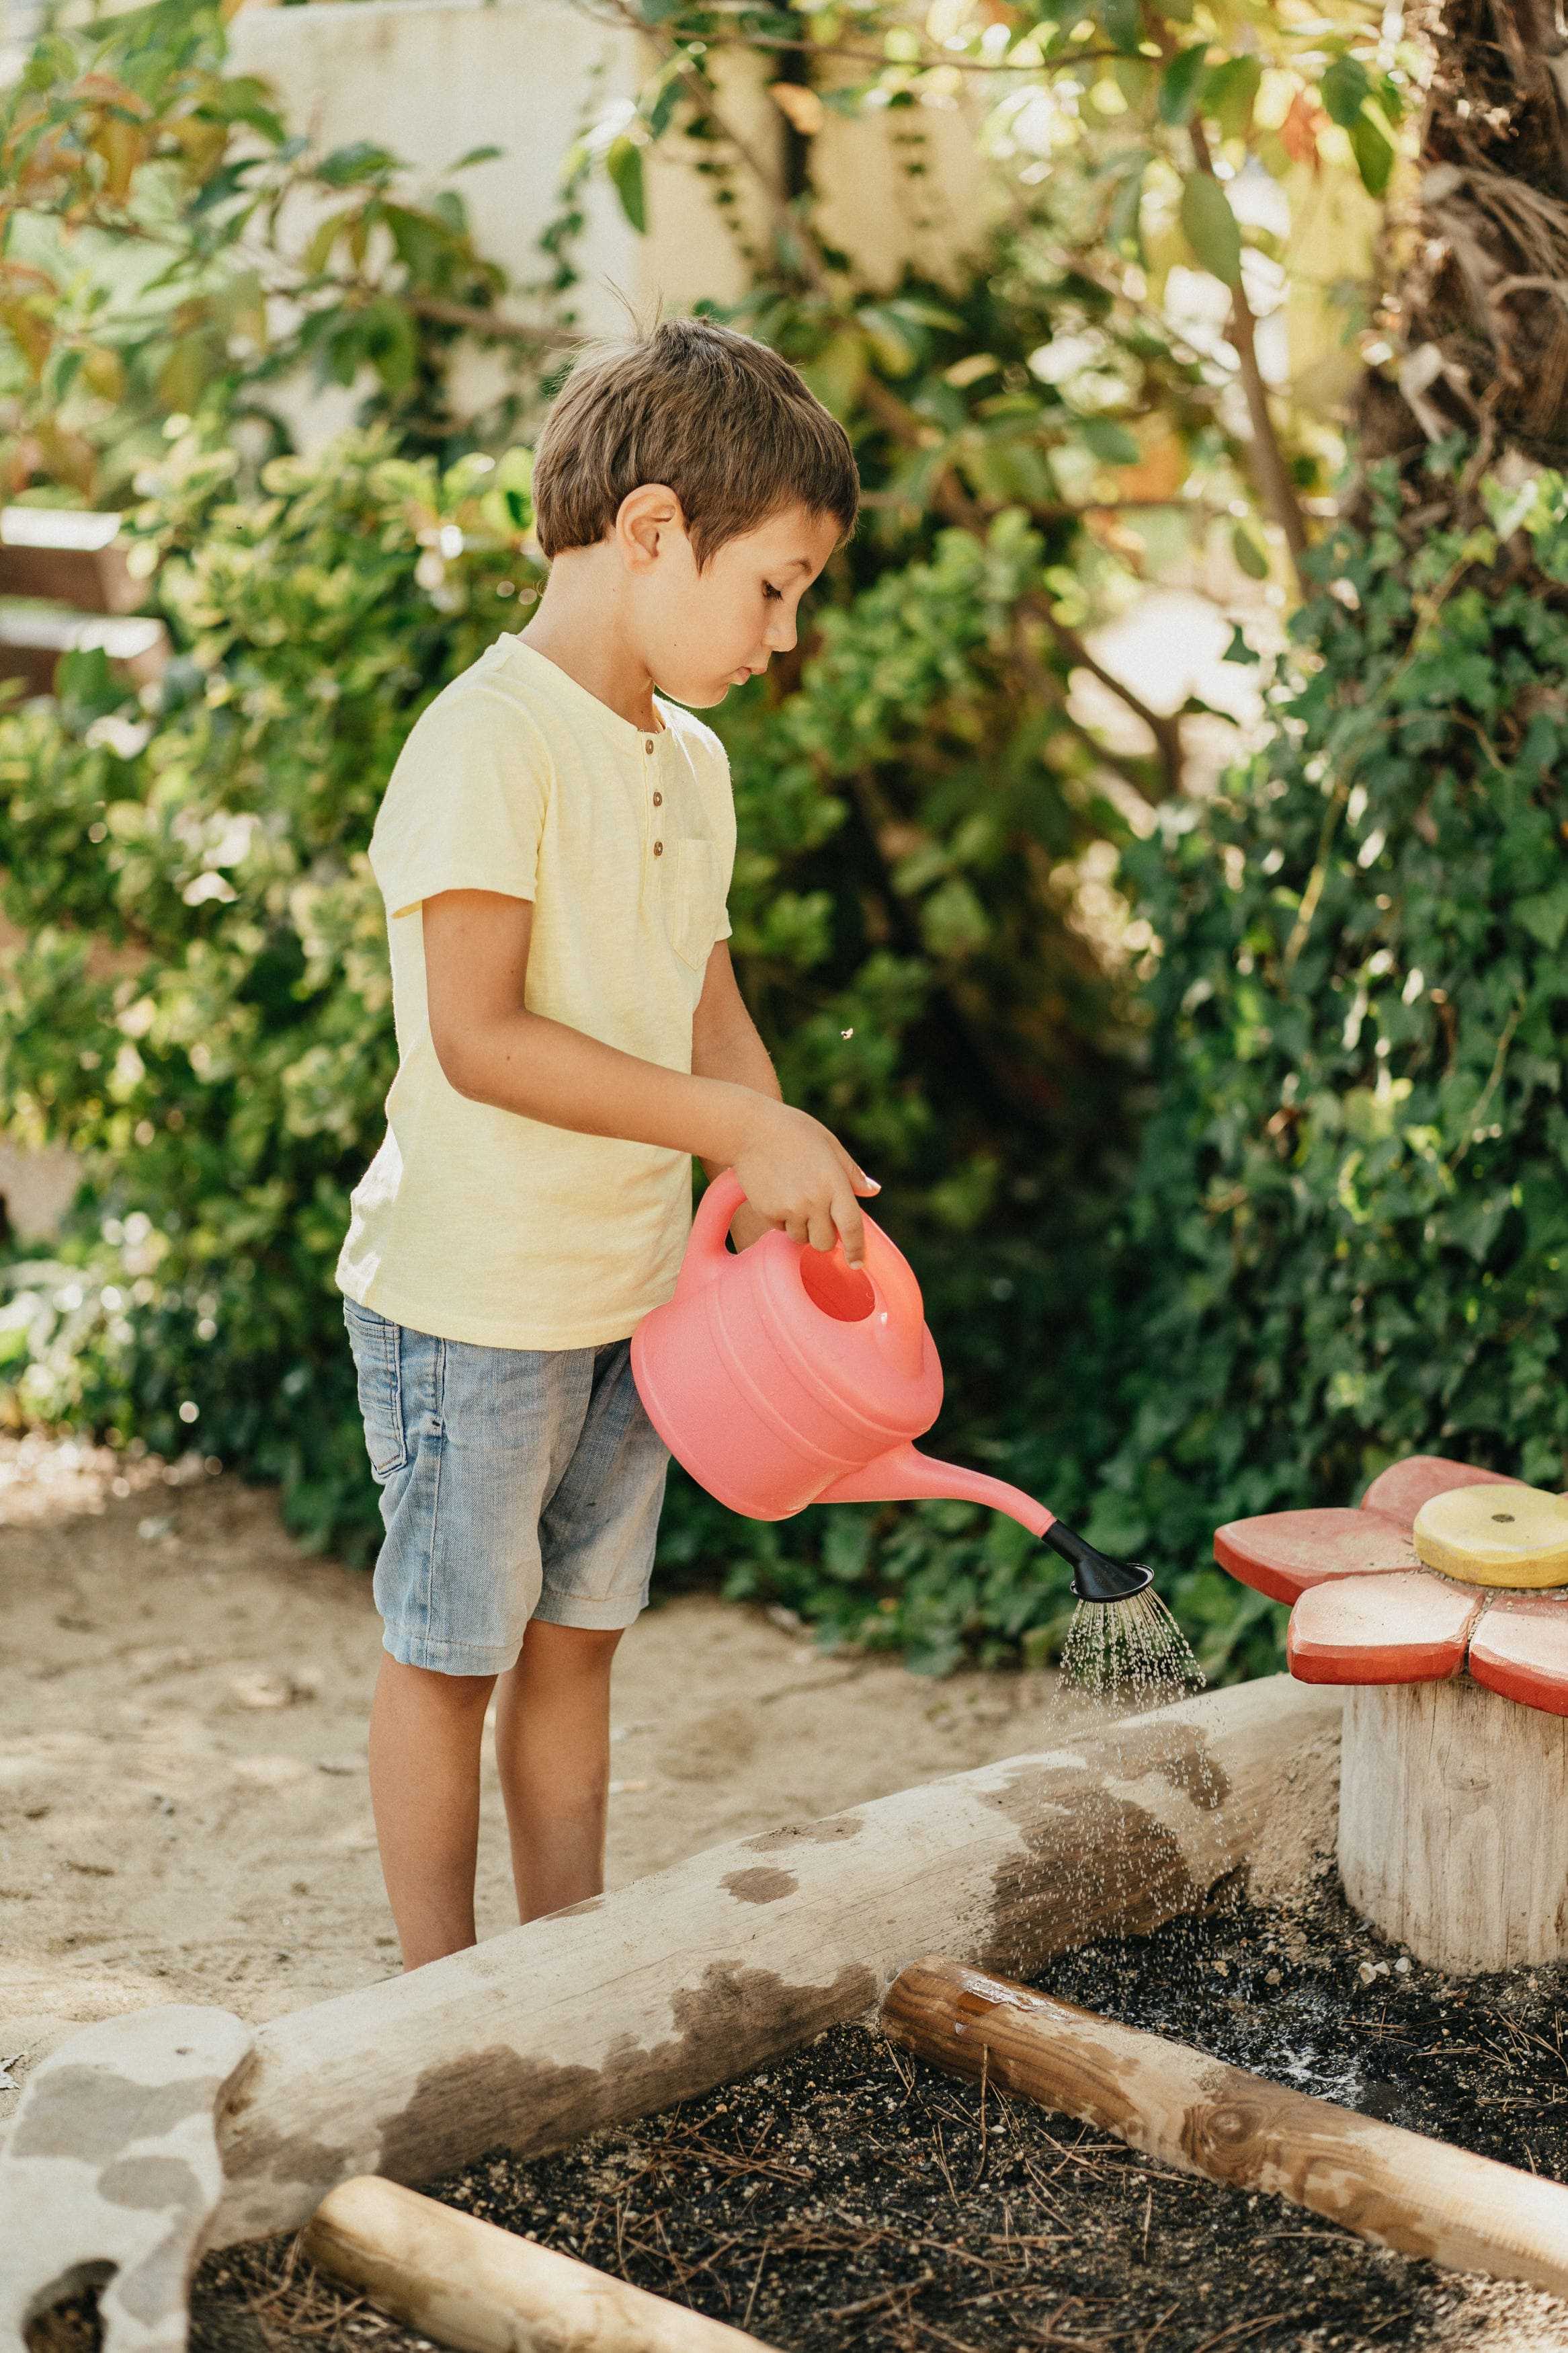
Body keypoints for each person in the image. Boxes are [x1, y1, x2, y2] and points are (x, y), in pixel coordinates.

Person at [335, 317, 876, 1970]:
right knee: (452, 1650)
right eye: (774, 585)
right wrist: (731, 1124)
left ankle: (559, 1977)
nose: (783, 635)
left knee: (581, 1640)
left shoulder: (689, 761)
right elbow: (479, 1035)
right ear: (653, 531)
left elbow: (704, 1003)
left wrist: (776, 1161)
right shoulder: (486, 741)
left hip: (638, 1291)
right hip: (475, 1301)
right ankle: (438, 2001)